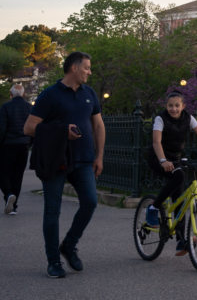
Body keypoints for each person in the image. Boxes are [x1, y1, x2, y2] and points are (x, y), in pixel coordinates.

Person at [24, 51, 105, 279]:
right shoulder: (50, 95)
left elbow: (98, 126)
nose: (89, 71)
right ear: (74, 68)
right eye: (87, 67)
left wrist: (99, 156)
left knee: (90, 202)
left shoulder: (89, 94)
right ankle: (53, 262)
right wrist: (61, 131)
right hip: (56, 160)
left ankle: (69, 245)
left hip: (83, 160)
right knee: (52, 211)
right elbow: (29, 128)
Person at [145, 91, 197, 256]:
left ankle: (182, 240)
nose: (173, 109)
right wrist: (162, 161)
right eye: (170, 106)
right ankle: (153, 207)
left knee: (180, 195)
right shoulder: (160, 119)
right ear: (166, 106)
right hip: (157, 157)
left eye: (177, 106)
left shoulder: (188, 118)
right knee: (179, 176)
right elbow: (156, 142)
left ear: (183, 106)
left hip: (174, 159)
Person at [0, 83, 32, 215]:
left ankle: (8, 195)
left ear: (11, 94)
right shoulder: (29, 108)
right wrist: (29, 143)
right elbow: (33, 128)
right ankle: (14, 206)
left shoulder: (5, 107)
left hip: (8, 145)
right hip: (23, 146)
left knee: (3, 173)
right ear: (24, 94)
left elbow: (1, 128)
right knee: (18, 176)